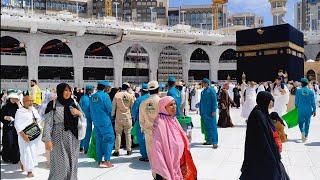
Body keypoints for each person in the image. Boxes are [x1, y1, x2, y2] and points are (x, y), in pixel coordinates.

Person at [240, 91, 289, 180]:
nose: (272, 102)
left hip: (267, 151)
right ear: (265, 101)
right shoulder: (257, 115)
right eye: (271, 100)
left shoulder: (262, 112)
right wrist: (270, 155)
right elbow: (262, 138)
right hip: (262, 153)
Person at [42, 83, 84, 179]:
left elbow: (83, 117)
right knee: (62, 166)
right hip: (58, 137)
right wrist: (47, 139)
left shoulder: (74, 103)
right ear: (60, 91)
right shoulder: (53, 104)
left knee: (72, 164)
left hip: (73, 138)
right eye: (65, 90)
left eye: (69, 90)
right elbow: (48, 123)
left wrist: (78, 113)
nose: (68, 92)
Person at [150, 96, 197, 180]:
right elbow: (157, 147)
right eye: (171, 105)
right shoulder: (160, 123)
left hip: (179, 159)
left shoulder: (173, 119)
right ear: (163, 107)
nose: (174, 106)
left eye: (175, 104)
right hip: (168, 160)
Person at [89, 81, 115, 168]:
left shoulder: (92, 96)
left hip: (96, 121)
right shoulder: (105, 96)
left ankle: (99, 160)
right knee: (110, 139)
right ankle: (107, 161)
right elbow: (110, 109)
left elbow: (91, 109)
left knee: (99, 140)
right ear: (104, 87)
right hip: (105, 121)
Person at [14, 96, 41, 178]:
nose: (31, 103)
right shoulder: (19, 112)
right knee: (26, 152)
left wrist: (35, 120)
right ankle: (29, 170)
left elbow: (39, 119)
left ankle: (24, 163)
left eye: (32, 101)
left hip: (33, 135)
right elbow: (17, 124)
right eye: (29, 101)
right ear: (24, 101)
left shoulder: (33, 110)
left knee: (32, 152)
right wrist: (23, 135)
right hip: (23, 136)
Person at [112, 82, 135, 156]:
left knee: (118, 134)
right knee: (128, 134)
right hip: (128, 117)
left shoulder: (117, 95)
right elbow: (132, 108)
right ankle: (129, 150)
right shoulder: (130, 96)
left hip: (119, 117)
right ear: (127, 88)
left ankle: (117, 151)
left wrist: (112, 115)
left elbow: (113, 107)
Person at [140, 81, 161, 158]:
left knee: (150, 150)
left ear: (148, 91)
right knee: (160, 151)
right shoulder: (161, 102)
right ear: (158, 89)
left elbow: (141, 119)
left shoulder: (143, 103)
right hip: (160, 130)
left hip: (148, 130)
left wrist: (143, 129)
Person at [0, 91, 20, 164]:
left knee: (16, 142)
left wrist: (19, 104)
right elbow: (1, 116)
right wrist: (6, 117)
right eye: (13, 98)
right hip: (8, 127)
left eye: (16, 98)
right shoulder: (5, 107)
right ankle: (6, 156)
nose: (14, 100)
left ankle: (15, 157)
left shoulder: (18, 106)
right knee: (8, 142)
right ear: (10, 98)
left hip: (16, 127)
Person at [131, 83, 150, 162]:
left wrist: (134, 120)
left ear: (141, 91)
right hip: (152, 121)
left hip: (141, 122)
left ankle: (145, 156)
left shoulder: (139, 100)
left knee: (142, 139)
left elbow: (134, 112)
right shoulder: (152, 98)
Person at [295, 78, 316, 142]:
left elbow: (296, 101)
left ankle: (302, 132)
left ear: (301, 83)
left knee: (301, 122)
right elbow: (313, 102)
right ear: (307, 84)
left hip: (301, 109)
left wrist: (296, 107)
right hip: (308, 110)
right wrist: (314, 110)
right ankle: (306, 135)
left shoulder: (298, 91)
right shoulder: (311, 92)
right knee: (307, 123)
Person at [199, 78, 218, 148]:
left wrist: (214, 110)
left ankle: (215, 142)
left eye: (203, 83)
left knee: (212, 127)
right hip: (204, 112)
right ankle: (209, 140)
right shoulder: (203, 91)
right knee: (207, 127)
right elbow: (202, 101)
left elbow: (214, 101)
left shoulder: (211, 90)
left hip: (210, 112)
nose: (202, 84)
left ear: (206, 83)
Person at [79, 85, 94, 153]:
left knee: (82, 132)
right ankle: (86, 148)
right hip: (87, 118)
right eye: (92, 89)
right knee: (87, 134)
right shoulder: (88, 99)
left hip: (81, 118)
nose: (93, 91)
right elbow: (88, 110)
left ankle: (81, 146)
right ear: (89, 90)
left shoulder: (82, 97)